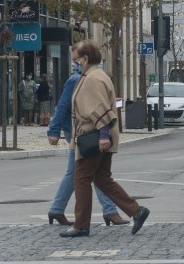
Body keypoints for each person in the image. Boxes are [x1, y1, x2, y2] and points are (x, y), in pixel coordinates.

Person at [59, 39, 150, 238]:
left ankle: (81, 225)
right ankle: (136, 211)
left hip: (94, 136)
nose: (74, 63)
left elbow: (99, 108)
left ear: (85, 59)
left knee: (81, 178)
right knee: (102, 178)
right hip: (100, 135)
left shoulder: (92, 79)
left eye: (76, 60)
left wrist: (102, 136)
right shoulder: (94, 75)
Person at [46, 62, 129, 228]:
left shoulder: (91, 79)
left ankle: (57, 209)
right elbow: (63, 105)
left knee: (76, 172)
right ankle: (109, 210)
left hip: (88, 131)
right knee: (92, 171)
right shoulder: (76, 80)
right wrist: (53, 130)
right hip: (82, 133)